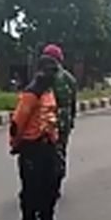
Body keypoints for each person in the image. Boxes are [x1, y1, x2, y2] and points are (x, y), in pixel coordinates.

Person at [9, 55, 66, 220]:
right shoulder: (31, 94)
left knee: (50, 190)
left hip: (48, 145)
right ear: (40, 71)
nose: (53, 75)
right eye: (50, 71)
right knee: (32, 193)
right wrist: (15, 144)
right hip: (31, 146)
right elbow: (18, 122)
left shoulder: (48, 92)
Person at [42, 44, 77, 198]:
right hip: (64, 119)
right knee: (60, 150)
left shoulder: (43, 76)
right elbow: (73, 103)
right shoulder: (70, 79)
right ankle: (56, 184)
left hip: (46, 119)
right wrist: (71, 120)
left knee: (42, 152)